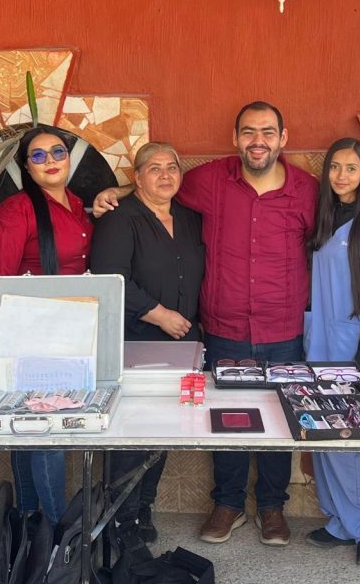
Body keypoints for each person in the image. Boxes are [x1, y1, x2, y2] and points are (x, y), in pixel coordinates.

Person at [94, 101, 318, 546]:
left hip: (283, 328)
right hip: (224, 327)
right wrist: (116, 191)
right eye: (249, 132)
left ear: (283, 138)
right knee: (228, 418)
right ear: (236, 138)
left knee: (279, 419)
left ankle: (272, 506)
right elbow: (155, 187)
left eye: (268, 132)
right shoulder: (208, 180)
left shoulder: (307, 190)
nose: (259, 141)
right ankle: (228, 503)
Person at [89, 142, 205, 547]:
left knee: (162, 432)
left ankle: (144, 507)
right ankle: (119, 516)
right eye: (153, 168)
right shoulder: (120, 219)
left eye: (171, 167)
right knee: (130, 433)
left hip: (181, 345)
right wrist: (158, 314)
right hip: (135, 341)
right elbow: (109, 277)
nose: (164, 175)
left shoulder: (189, 218)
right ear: (136, 178)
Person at [0, 126, 94, 525]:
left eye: (57, 152)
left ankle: (32, 520)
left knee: (43, 429)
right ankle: (55, 528)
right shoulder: (17, 211)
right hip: (31, 337)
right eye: (38, 155)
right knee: (44, 431)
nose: (50, 161)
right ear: (27, 167)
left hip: (74, 333)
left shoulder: (79, 205)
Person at [301, 138, 360, 565]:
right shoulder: (324, 217)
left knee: (345, 436)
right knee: (321, 432)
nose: (342, 176)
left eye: (351, 168)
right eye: (335, 167)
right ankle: (340, 520)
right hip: (318, 338)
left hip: (351, 341)